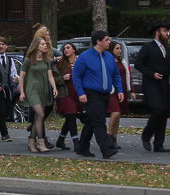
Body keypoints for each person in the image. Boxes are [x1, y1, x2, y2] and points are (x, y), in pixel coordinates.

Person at [72, 31, 123, 159]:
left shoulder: (109, 57)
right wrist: (80, 93)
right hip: (91, 94)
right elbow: (76, 75)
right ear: (98, 41)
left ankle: (82, 148)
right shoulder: (85, 57)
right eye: (107, 40)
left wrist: (120, 90)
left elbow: (116, 75)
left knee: (92, 120)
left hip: (105, 94)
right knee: (99, 121)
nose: (109, 42)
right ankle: (107, 149)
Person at [19, 29, 57, 152]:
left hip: (43, 89)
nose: (45, 45)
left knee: (37, 117)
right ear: (36, 46)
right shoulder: (28, 60)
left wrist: (54, 87)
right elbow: (22, 77)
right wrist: (22, 92)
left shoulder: (47, 60)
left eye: (45, 44)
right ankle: (41, 142)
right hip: (32, 90)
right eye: (42, 44)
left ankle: (31, 142)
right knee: (41, 114)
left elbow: (50, 76)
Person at [135, 22, 170, 151]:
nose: (167, 33)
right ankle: (146, 135)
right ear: (157, 32)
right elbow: (138, 64)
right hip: (151, 84)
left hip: (164, 84)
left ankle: (158, 144)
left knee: (164, 112)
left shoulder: (167, 47)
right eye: (165, 30)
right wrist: (152, 74)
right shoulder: (148, 47)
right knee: (157, 110)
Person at [53, 42, 82, 151]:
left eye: (68, 48)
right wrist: (62, 78)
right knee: (71, 113)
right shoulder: (60, 63)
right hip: (64, 93)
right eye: (64, 48)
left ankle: (60, 140)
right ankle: (76, 142)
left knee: (71, 116)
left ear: (74, 49)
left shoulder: (80, 61)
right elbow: (52, 78)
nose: (65, 50)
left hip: (77, 93)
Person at [107, 39, 130, 141]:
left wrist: (131, 89)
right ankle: (108, 135)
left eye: (120, 48)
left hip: (122, 90)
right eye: (117, 48)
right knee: (115, 112)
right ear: (111, 50)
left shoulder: (122, 61)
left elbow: (128, 75)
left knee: (118, 114)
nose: (120, 50)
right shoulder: (108, 61)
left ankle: (114, 137)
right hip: (112, 90)